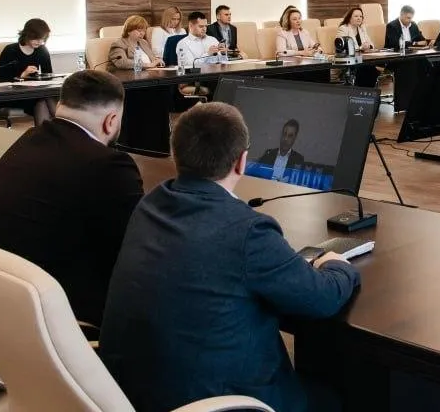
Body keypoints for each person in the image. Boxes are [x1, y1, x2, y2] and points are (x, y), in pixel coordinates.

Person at [100, 103, 360, 412]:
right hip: (214, 400)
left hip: (129, 394)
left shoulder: (150, 204)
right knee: (338, 398)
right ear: (241, 161)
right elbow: (321, 298)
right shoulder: (248, 231)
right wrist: (336, 265)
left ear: (175, 154)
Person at [0, 70, 142, 326]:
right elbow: (136, 248)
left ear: (61, 104)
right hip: (51, 318)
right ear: (111, 120)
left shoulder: (28, 140)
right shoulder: (109, 164)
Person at [0, 18, 56, 126]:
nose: (39, 42)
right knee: (43, 100)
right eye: (36, 38)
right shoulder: (10, 50)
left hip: (35, 93)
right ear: (27, 35)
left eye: (42, 39)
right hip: (15, 96)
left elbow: (48, 75)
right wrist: (22, 75)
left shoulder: (42, 50)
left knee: (44, 99)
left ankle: (46, 133)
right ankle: (64, 126)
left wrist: (41, 77)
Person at [337, 7, 379, 88]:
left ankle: (367, 91)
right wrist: (360, 47)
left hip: (363, 58)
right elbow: (344, 47)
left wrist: (369, 46)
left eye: (361, 16)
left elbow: (371, 44)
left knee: (371, 68)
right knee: (368, 68)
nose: (359, 18)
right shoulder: (343, 29)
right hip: (350, 59)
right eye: (356, 16)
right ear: (349, 18)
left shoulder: (362, 28)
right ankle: (361, 91)